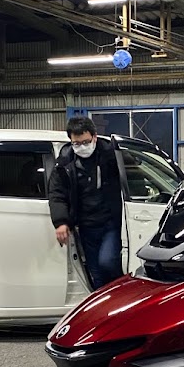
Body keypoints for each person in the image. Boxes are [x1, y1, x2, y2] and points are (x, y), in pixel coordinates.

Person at [48, 116, 124, 289]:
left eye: (85, 142)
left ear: (94, 137)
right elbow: (57, 194)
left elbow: (133, 171)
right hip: (86, 227)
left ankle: (118, 294)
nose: (82, 147)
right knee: (95, 272)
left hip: (110, 223)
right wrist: (61, 222)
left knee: (108, 262)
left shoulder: (111, 155)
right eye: (76, 143)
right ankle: (103, 301)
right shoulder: (64, 163)